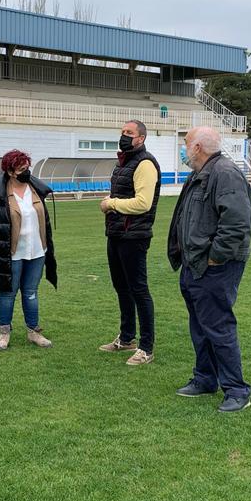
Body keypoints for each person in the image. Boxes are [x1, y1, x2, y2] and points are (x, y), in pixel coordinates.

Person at [167, 126, 251, 411]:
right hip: (194, 264)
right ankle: (205, 378)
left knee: (218, 327)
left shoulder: (224, 174)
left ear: (198, 147)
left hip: (215, 266)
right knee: (200, 326)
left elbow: (237, 223)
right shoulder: (199, 174)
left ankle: (237, 390)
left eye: (186, 143)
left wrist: (216, 257)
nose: (184, 148)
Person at [98, 120, 161, 366]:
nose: (124, 136)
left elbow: (143, 203)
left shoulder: (145, 163)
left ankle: (146, 347)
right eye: (122, 132)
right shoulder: (122, 162)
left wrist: (111, 203)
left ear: (141, 138)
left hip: (134, 235)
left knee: (139, 289)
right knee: (121, 287)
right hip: (116, 233)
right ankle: (126, 338)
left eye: (129, 133)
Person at [0, 149, 57, 350]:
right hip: (12, 252)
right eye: (21, 168)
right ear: (10, 171)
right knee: (7, 292)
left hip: (37, 251)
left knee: (31, 292)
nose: (26, 171)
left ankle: (34, 331)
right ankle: (4, 333)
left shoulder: (35, 189)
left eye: (27, 167)